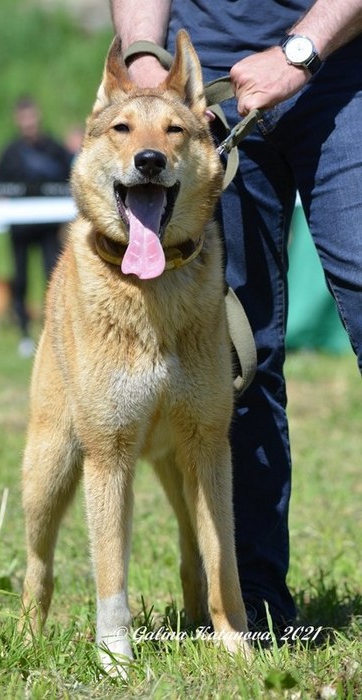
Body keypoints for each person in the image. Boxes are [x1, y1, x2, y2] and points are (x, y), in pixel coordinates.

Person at [111, 0, 362, 631]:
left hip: (342, 68)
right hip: (207, 92)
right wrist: (144, 56)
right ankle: (253, 607)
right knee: (236, 356)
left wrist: (299, 52)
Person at [0, 96, 73, 357]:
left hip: (48, 227)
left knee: (53, 276)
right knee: (21, 279)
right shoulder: (11, 152)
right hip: (20, 228)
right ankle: (24, 333)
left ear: (38, 116)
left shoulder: (53, 148)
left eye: (31, 116)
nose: (28, 122)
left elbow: (71, 175)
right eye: (23, 118)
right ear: (18, 120)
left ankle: (51, 330)